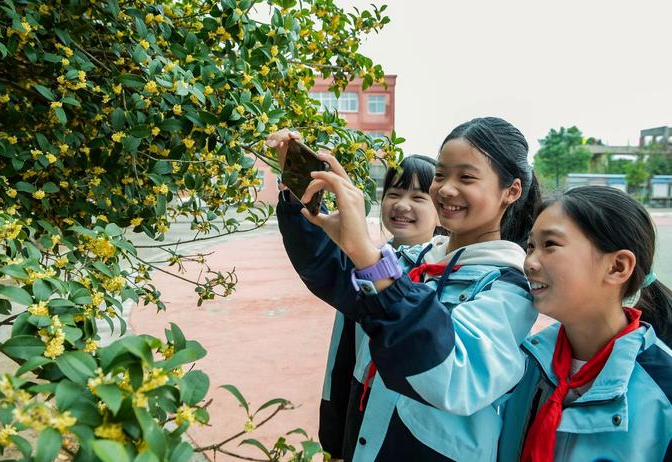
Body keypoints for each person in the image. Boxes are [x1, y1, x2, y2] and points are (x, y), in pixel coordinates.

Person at [271, 116, 540, 461]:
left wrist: (369, 258)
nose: (445, 189)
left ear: (511, 191)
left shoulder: (508, 289)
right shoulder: (413, 260)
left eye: (467, 177)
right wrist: (299, 197)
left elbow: (451, 376)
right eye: (441, 174)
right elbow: (332, 276)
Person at [274, 148, 443, 459]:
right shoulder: (370, 261)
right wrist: (296, 188)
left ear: (441, 211)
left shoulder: (440, 274)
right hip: (359, 414)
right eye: (395, 193)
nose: (402, 205)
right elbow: (322, 262)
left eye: (419, 198)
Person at [498, 186, 672, 462]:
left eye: (550, 245)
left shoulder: (663, 392)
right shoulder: (521, 360)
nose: (529, 262)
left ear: (617, 267)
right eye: (530, 246)